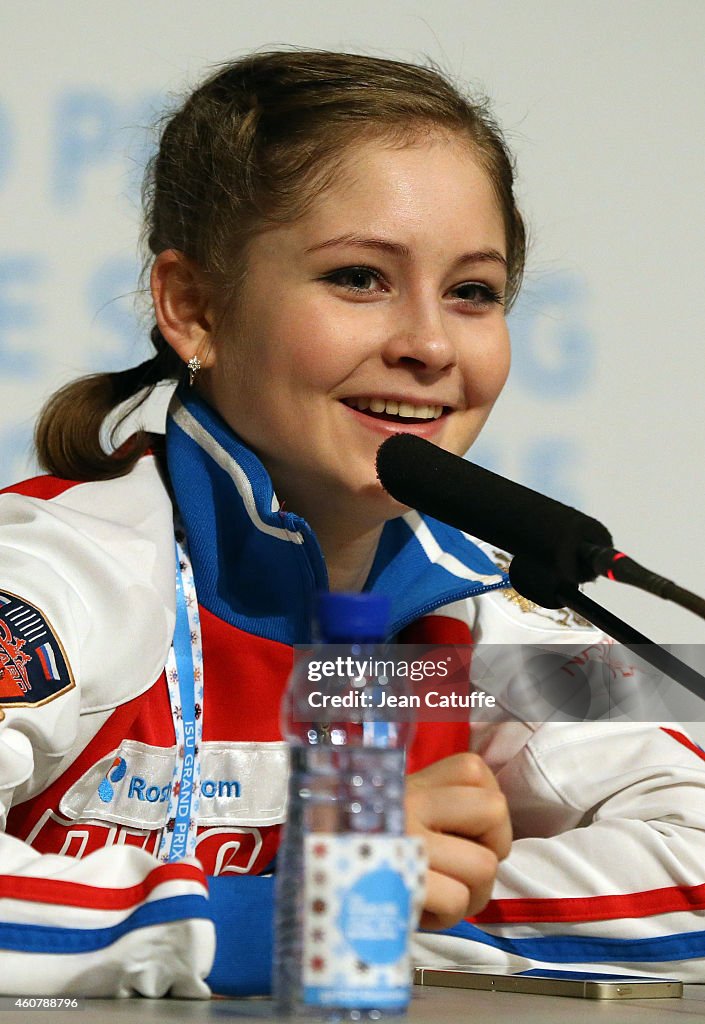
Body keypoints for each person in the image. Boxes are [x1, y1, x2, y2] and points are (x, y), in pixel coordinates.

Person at [1, 49, 704, 998]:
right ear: (192, 306)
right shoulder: (48, 577)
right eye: (360, 277)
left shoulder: (490, 607)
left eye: (472, 293)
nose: (426, 344)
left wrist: (366, 913)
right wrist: (282, 908)